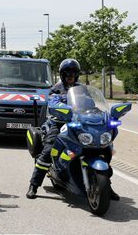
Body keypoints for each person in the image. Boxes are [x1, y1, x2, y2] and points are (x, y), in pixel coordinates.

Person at [26, 59, 120, 200]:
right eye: (67, 73)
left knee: (102, 147)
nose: (70, 76)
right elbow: (53, 103)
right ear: (62, 74)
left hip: (78, 123)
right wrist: (64, 109)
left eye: (73, 73)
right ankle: (34, 185)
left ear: (77, 74)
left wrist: (99, 113)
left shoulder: (82, 89)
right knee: (48, 149)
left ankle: (106, 186)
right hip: (58, 122)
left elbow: (91, 105)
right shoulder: (56, 89)